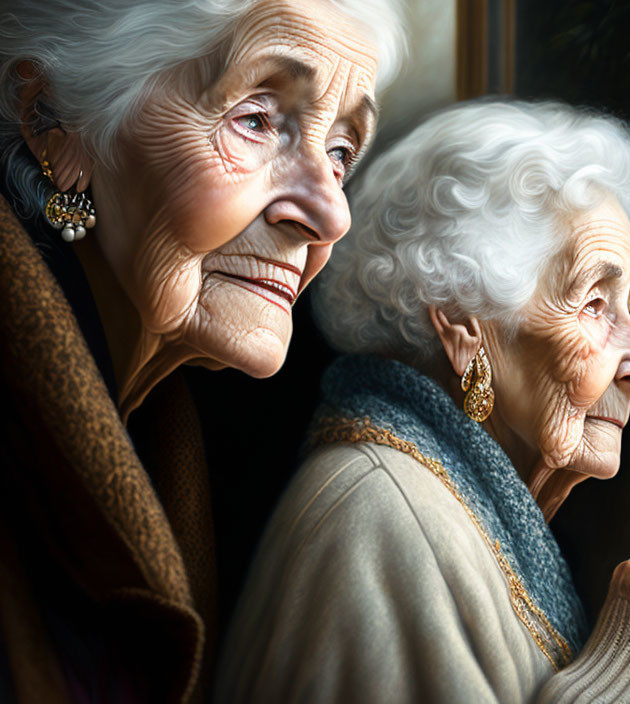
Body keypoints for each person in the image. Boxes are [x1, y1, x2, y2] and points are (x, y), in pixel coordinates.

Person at [218, 100, 630, 703]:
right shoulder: (381, 519)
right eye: (595, 305)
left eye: (628, 304)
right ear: (464, 326)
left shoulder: (449, 504)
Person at [0, 1, 404, 701]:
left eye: (340, 152)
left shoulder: (162, 435)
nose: (330, 213)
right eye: (256, 118)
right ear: (52, 126)